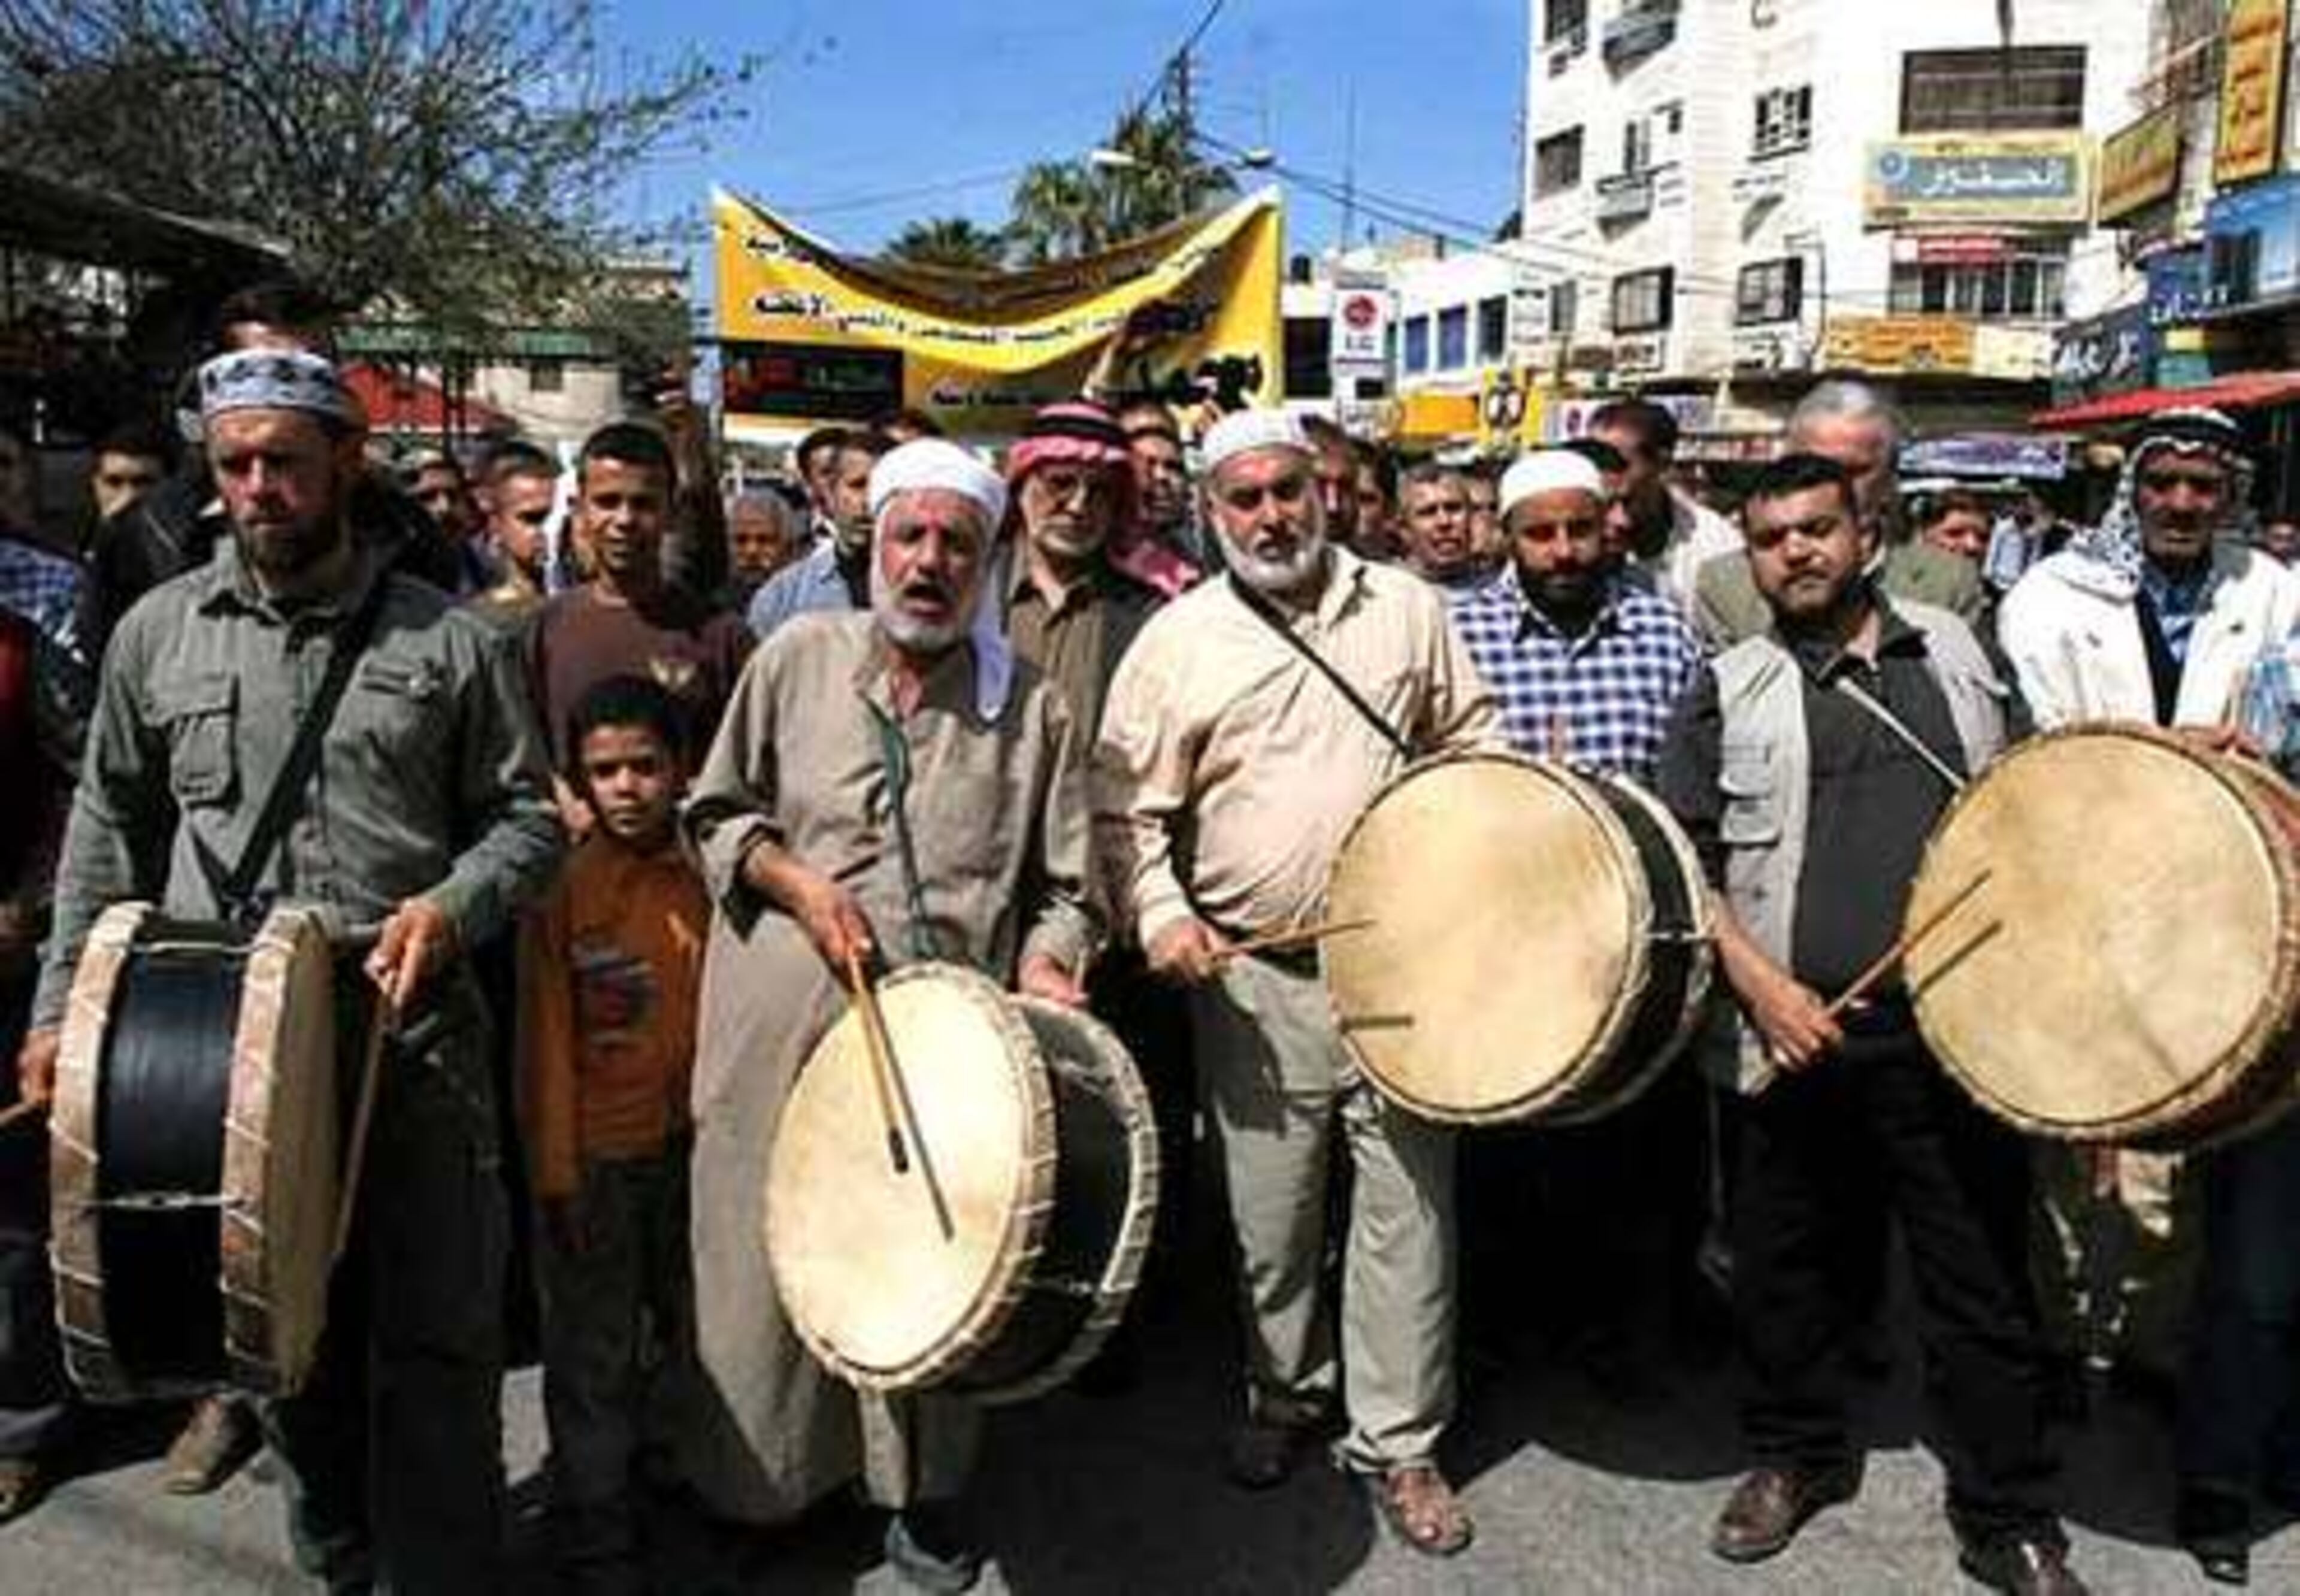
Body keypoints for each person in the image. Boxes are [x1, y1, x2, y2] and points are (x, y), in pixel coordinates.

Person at [17, 347, 564, 1592]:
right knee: (280, 1362)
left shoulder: (449, 642)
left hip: (418, 1055)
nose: (259, 488)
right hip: (227, 1078)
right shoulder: (157, 637)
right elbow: (105, 838)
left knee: (437, 1355)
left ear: (347, 466)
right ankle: (338, 1564)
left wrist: (450, 902)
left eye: (285, 464)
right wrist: (59, 1021)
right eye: (236, 465)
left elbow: (530, 826)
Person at [1656, 453, 2080, 1594]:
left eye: (1816, 530)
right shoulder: (1727, 682)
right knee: (1786, 1270)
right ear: (1750, 555)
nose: (1796, 552)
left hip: (1955, 1030)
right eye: (1771, 537)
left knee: (1978, 1277)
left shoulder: (1957, 654)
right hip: (1789, 1033)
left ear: (1866, 534)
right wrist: (1764, 989)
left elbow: (2029, 805)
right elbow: (1685, 865)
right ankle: (1796, 1458)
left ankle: (2009, 1515)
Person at [681, 438, 1096, 1591]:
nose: (928, 563)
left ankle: (922, 1498)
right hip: (779, 1017)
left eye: (955, 544)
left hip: (942, 1036)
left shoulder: (1032, 710)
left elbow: (1069, 889)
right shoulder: (796, 658)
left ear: (987, 560)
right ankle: (759, 1483)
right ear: (875, 544)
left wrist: (1053, 965)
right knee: (759, 1250)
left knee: (928, 1258)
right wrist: (798, 883)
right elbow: (714, 812)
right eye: (908, 536)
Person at [1093, 408, 1499, 1558]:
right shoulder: (1179, 641)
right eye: (1245, 499)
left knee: (1410, 1216)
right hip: (1253, 983)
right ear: (1212, 513)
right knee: (1271, 1223)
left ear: (1323, 493)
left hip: (1403, 967)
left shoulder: (1407, 608)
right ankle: (1285, 1395)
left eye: (1288, 491)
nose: (1272, 514)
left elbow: (1467, 736)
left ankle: (1402, 1441)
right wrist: (1164, 916)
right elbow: (1127, 811)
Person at [1996, 407, 2300, 1585]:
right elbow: (2036, 746)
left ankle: (2175, 1381)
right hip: (2092, 892)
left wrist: (2258, 746)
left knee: (2213, 1156)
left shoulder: (2269, 589)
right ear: (2138, 489)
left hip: (2239, 904)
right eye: (2164, 484)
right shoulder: (2052, 595)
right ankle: (2071, 1344)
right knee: (2080, 1146)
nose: (2183, 504)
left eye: (2202, 487)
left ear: (2226, 492)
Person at [1447, 447, 1709, 1383]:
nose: (1563, 551)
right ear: (1507, 538)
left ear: (1611, 529)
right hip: (1497, 942)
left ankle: (1619, 1335)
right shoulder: (1455, 630)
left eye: (1579, 529)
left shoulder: (1663, 628)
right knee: (1500, 1149)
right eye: (1540, 533)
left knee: (1625, 1151)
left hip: (1630, 939)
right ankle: (1503, 1333)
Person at [522, 674, 707, 1596]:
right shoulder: (561, 888)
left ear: (683, 771)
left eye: (646, 765)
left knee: (689, 1327)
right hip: (594, 1157)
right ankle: (596, 1532)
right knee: (592, 1353)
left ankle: (673, 1476)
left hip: (694, 1152)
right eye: (606, 771)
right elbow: (547, 1042)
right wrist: (556, 1175)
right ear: (580, 783)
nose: (628, 786)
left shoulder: (709, 879)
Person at [528, 422, 750, 801]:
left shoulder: (721, 635)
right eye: (608, 502)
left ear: (671, 511)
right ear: (580, 507)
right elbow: (524, 753)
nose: (625, 521)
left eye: (643, 504)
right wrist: (565, 802)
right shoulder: (545, 630)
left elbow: (750, 757)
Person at [1691, 380, 1986, 649]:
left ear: (1889, 477)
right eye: (1816, 467)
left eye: (1856, 470)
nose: (1835, 485)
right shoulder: (1726, 586)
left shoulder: (1949, 583)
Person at [1587, 397, 1740, 610]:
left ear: (1662, 464)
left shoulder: (1716, 546)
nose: (1601, 471)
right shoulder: (1572, 537)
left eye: (1616, 461)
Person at [745, 429, 890, 641]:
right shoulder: (783, 596)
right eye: (857, 485)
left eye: (881, 487)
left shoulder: (925, 592)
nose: (868, 501)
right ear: (831, 494)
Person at [471, 441, 560, 631]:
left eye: (559, 518)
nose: (548, 533)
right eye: (532, 519)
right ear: (495, 520)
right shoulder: (477, 622)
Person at [1398, 462, 1492, 600]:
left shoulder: (1504, 591)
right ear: (1404, 528)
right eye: (1428, 512)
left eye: (1453, 508)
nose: (1445, 522)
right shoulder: (1392, 594)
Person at [725, 488, 800, 609]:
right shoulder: (710, 608)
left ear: (788, 548)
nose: (751, 551)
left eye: (764, 540)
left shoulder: (805, 604)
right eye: (741, 540)